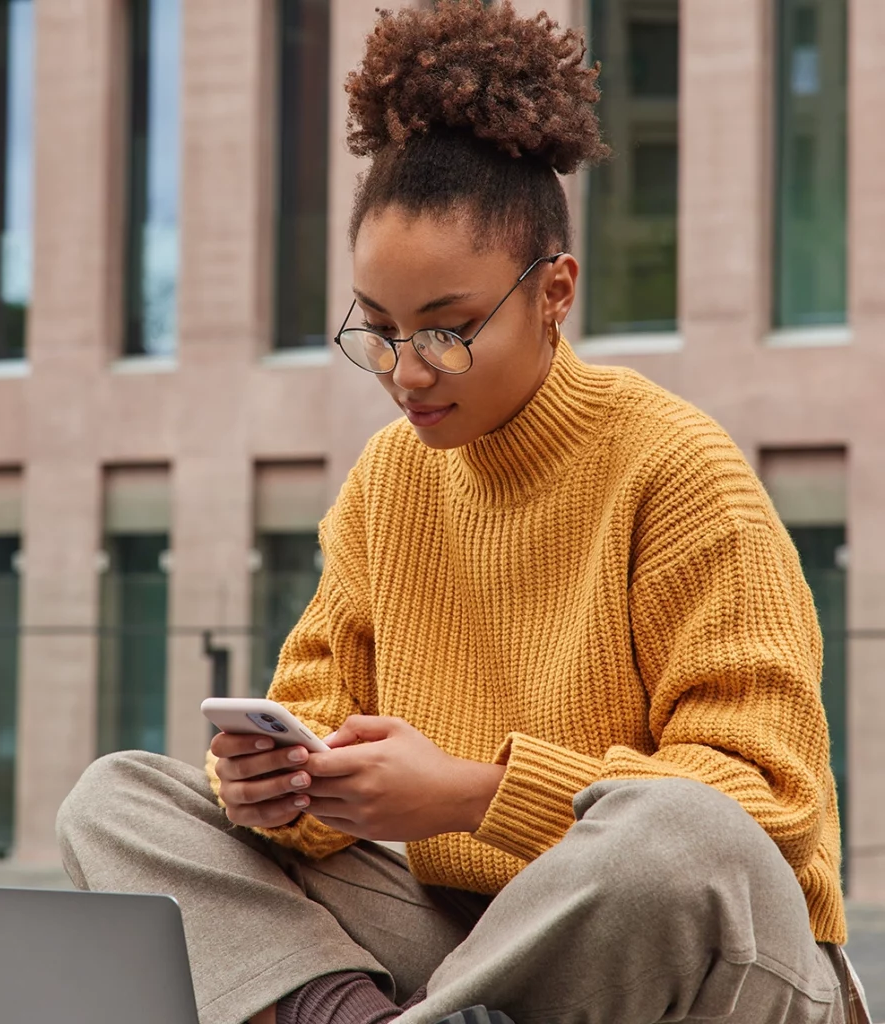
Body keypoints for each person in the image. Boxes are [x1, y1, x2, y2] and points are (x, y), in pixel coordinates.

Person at [56, 3, 870, 1023]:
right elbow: (311, 714)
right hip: (477, 958)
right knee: (121, 800)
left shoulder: (676, 469)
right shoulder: (387, 485)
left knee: (675, 830)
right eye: (380, 329)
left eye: (446, 329)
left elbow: (765, 810)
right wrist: (281, 787)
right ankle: (348, 1014)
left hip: (713, 964)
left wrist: (466, 793)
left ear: (554, 290)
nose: (406, 371)